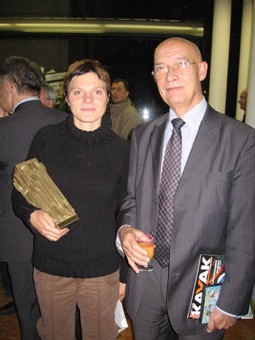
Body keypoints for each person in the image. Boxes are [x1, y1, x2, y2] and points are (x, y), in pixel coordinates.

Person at [117, 37, 255, 339]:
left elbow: (246, 227)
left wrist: (232, 302)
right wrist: (125, 232)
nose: (170, 75)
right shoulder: (142, 136)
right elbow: (131, 200)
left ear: (202, 70)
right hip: (147, 282)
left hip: (205, 282)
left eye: (180, 64)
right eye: (160, 68)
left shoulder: (240, 139)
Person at [12, 59, 129, 340]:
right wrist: (32, 216)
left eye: (97, 91)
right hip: (52, 268)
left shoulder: (122, 151)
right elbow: (20, 192)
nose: (88, 99)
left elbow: (128, 214)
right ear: (67, 98)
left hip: (102, 272)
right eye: (78, 92)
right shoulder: (46, 139)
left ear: (107, 97)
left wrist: (124, 275)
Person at [0, 56, 67, 340]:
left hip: (17, 239)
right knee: (62, 313)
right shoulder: (67, 120)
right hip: (64, 235)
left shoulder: (3, 130)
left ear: (10, 85)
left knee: (28, 313)